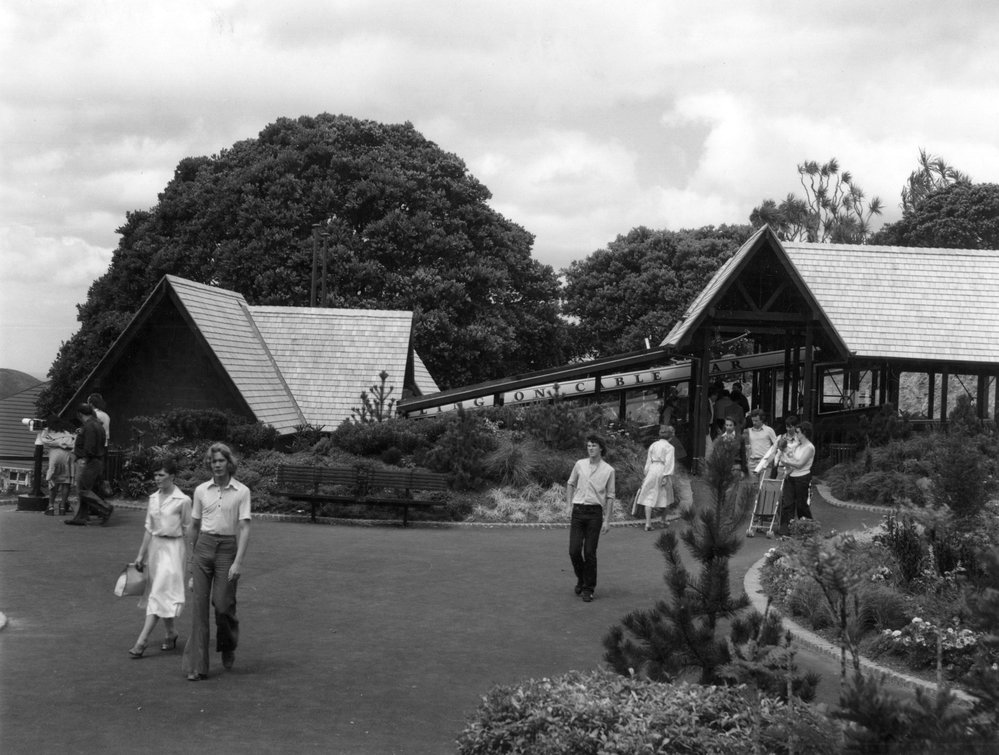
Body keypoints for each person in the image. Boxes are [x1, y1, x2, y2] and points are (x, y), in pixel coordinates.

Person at [182, 443, 251, 681]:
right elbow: (194, 526)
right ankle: (198, 667)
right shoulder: (201, 490)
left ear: (229, 463)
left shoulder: (242, 491)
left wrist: (238, 562)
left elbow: (244, 527)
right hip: (203, 548)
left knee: (223, 606)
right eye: (213, 462)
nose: (217, 465)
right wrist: (191, 565)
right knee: (199, 610)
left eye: (221, 461)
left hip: (227, 550)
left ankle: (228, 644)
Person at [128, 457, 193, 658]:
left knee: (158, 592)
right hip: (156, 549)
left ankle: (142, 641)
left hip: (174, 549)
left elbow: (189, 530)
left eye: (161, 474)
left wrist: (192, 559)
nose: (157, 478)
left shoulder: (183, 501)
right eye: (155, 474)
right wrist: (140, 555)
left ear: (172, 476)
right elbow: (149, 528)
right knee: (160, 591)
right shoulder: (153, 498)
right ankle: (171, 632)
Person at [566, 435, 616, 603]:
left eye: (594, 445)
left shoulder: (609, 470)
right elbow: (570, 483)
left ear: (601, 448)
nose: (590, 448)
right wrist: (568, 505)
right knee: (574, 550)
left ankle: (589, 588)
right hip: (578, 511)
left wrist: (607, 520)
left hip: (595, 514)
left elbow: (610, 496)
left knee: (589, 552)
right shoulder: (580, 464)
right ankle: (581, 578)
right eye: (588, 446)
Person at [64, 404, 113, 526]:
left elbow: (89, 446)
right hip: (97, 460)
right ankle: (81, 517)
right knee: (86, 488)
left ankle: (105, 508)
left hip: (89, 461)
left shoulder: (89, 426)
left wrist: (83, 457)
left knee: (82, 490)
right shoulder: (98, 425)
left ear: (80, 414)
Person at [633, 426, 676, 531]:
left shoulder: (653, 445)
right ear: (670, 436)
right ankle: (663, 520)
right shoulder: (670, 447)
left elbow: (648, 461)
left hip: (652, 469)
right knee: (667, 495)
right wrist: (666, 475)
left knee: (649, 494)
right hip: (662, 469)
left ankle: (648, 523)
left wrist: (646, 473)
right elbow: (669, 462)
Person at [777, 421, 815, 534]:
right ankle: (786, 529)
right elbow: (793, 461)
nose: (796, 434)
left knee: (801, 505)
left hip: (802, 478)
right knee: (787, 503)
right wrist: (788, 471)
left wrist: (785, 461)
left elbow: (800, 464)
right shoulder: (798, 445)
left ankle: (808, 529)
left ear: (804, 433)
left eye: (798, 432)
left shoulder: (809, 447)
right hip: (792, 477)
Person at [41, 416, 76, 516]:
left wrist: (57, 443)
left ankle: (51, 507)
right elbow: (74, 442)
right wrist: (64, 444)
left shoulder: (48, 431)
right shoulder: (68, 431)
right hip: (67, 456)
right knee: (66, 482)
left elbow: (44, 440)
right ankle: (62, 507)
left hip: (55, 456)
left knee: (53, 481)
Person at [746, 409, 777, 485]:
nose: (754, 423)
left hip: (765, 462)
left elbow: (776, 445)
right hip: (752, 463)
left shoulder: (769, 430)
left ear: (762, 420)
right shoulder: (748, 431)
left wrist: (771, 459)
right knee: (752, 488)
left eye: (756, 421)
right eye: (753, 420)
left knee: (763, 486)